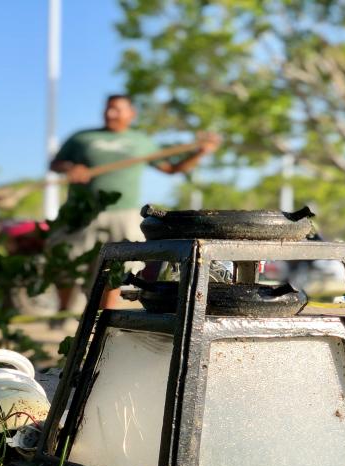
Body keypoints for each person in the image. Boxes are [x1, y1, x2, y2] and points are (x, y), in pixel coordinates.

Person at [49, 93, 221, 309]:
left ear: (131, 114)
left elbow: (172, 169)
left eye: (117, 109)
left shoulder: (142, 142)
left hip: (124, 213)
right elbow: (55, 164)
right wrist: (70, 168)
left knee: (120, 268)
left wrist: (200, 153)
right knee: (64, 261)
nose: (110, 113)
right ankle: (62, 312)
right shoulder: (82, 138)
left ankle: (104, 319)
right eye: (108, 108)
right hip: (80, 213)